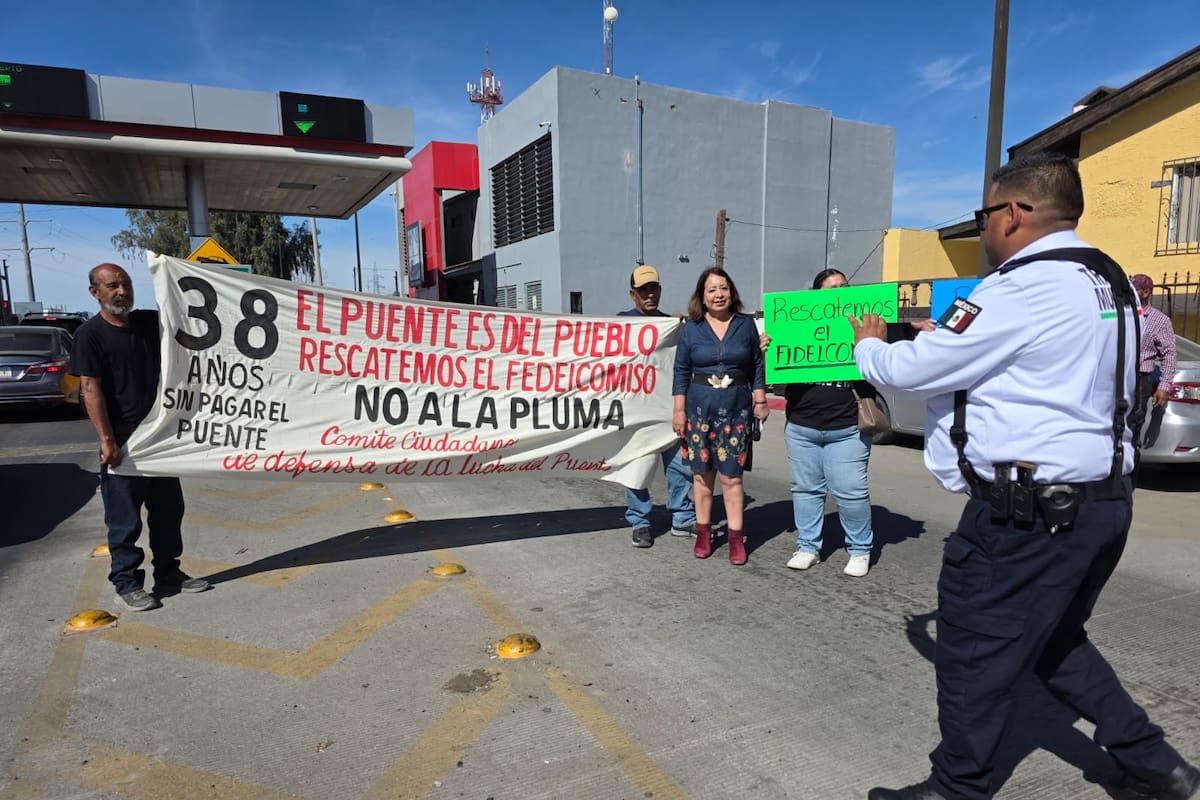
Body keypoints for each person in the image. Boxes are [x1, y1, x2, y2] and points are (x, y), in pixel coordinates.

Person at [849, 152, 1198, 800]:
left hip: (1029, 514)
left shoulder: (1019, 285)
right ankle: (1158, 767)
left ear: (1013, 213)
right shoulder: (1109, 279)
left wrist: (869, 342)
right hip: (1101, 505)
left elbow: (911, 370)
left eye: (985, 214)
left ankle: (958, 789)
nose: (982, 227)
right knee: (1055, 640)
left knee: (971, 648)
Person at [71, 263, 210, 612]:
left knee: (168, 512)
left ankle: (168, 573)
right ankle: (127, 582)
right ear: (95, 293)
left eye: (127, 284)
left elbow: (189, 318)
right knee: (124, 520)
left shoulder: (150, 323)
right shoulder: (90, 334)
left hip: (159, 439)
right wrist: (106, 439)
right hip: (123, 443)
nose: (122, 291)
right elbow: (90, 388)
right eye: (113, 286)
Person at [781, 268, 877, 578]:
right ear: (817, 298)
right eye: (830, 287)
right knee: (807, 490)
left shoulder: (865, 326)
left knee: (851, 491)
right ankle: (808, 546)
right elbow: (779, 370)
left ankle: (860, 549)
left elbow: (883, 365)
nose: (838, 290)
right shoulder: (795, 326)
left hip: (847, 426)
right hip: (802, 425)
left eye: (843, 286)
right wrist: (769, 349)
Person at [673, 266, 768, 565]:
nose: (718, 294)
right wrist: (678, 411)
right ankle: (703, 533)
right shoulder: (691, 328)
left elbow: (756, 364)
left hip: (736, 411)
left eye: (723, 288)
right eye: (712, 289)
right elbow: (680, 372)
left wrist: (760, 398)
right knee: (702, 478)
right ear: (702, 295)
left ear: (732, 292)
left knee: (731, 478)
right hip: (699, 411)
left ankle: (736, 539)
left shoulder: (745, 324)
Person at [618, 264, 697, 548]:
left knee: (680, 468)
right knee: (638, 470)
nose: (650, 295)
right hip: (637, 413)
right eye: (643, 291)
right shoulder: (620, 324)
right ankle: (640, 522)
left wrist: (677, 326)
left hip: (669, 410)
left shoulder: (672, 325)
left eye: (654, 289)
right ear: (633, 294)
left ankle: (682, 517)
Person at [1130, 273, 1177, 444]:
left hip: (1140, 379)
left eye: (1134, 290)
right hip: (1115, 375)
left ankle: (1129, 464)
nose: (1129, 294)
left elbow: (1170, 354)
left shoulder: (1160, 321)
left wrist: (1164, 386)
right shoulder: (1117, 315)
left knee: (1134, 423)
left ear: (1146, 292)